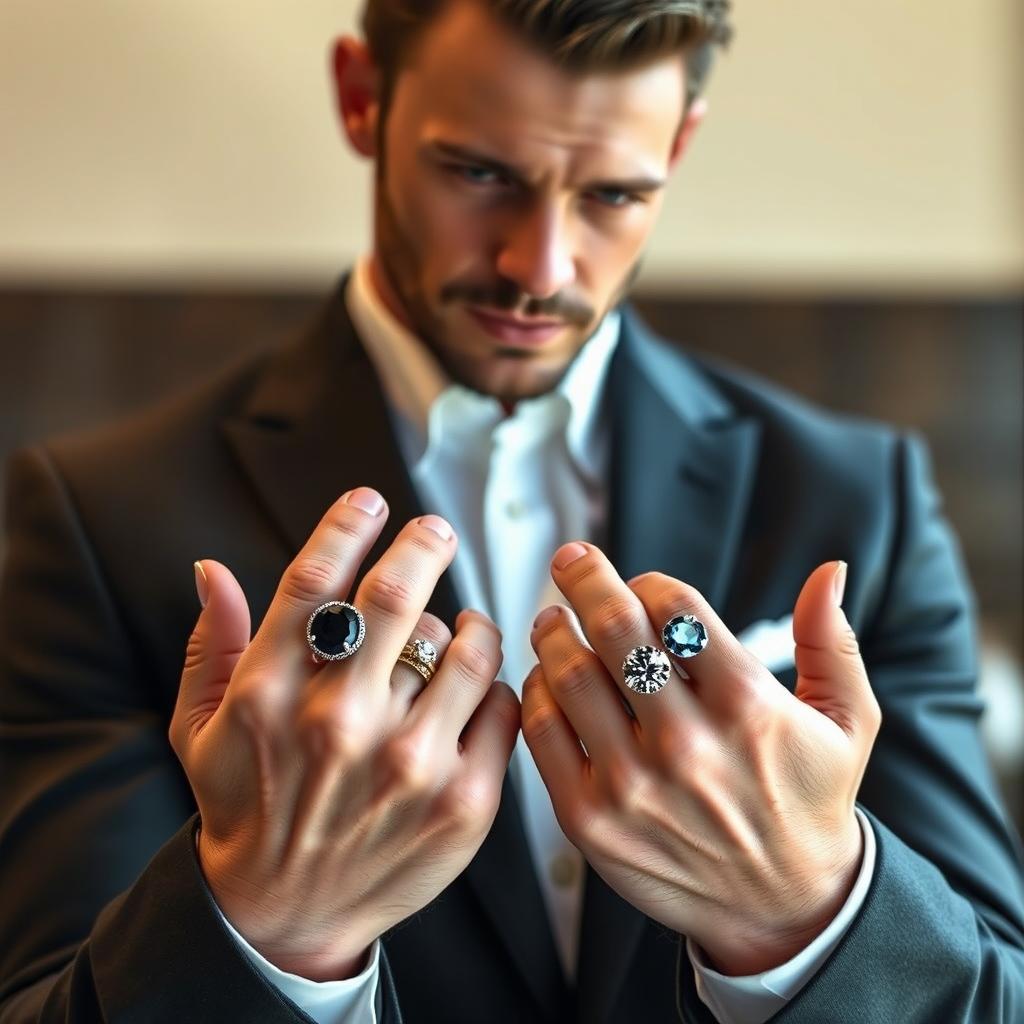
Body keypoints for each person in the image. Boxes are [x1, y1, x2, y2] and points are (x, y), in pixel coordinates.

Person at [1, 0, 1022, 1021]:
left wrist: (807, 913)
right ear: (363, 101)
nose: (539, 267)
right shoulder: (99, 517)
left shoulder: (859, 495)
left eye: (615, 193)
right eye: (479, 173)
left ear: (680, 144)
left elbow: (997, 990)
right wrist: (268, 930)